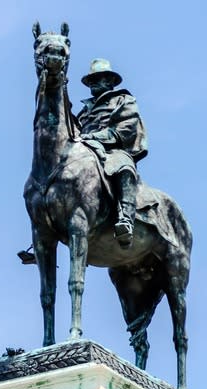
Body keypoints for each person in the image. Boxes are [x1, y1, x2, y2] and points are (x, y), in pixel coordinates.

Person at [77, 58, 148, 249]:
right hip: (85, 149)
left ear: (109, 81)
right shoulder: (84, 110)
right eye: (91, 80)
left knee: (124, 167)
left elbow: (124, 130)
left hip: (113, 150)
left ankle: (126, 219)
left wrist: (91, 136)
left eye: (97, 79)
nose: (93, 83)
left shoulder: (124, 100)